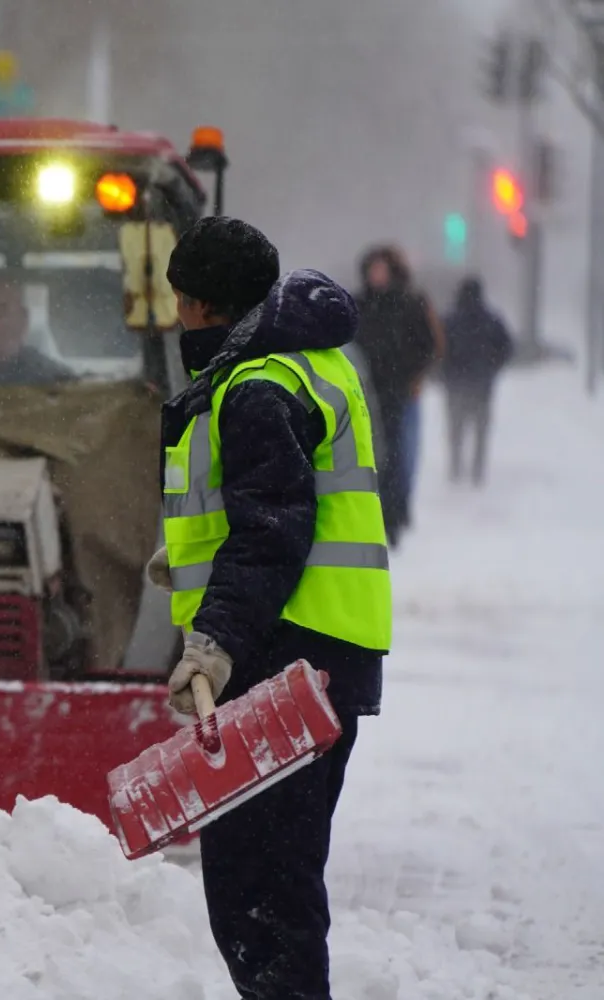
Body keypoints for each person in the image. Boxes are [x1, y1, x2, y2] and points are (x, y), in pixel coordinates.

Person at [147, 217, 391, 1000]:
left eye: (179, 301)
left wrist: (213, 637)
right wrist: (188, 558)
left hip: (283, 657)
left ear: (200, 306)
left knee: (258, 894)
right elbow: (286, 501)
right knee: (278, 883)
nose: (174, 316)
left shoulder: (254, 387)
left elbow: (273, 531)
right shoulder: (307, 365)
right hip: (321, 653)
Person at [352, 245, 441, 548]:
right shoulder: (358, 304)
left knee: (397, 457)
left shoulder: (410, 303)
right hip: (363, 393)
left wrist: (411, 375)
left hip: (398, 394)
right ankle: (375, 516)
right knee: (371, 458)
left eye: (382, 268)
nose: (377, 275)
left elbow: (428, 345)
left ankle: (392, 517)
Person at [440, 275, 514, 485]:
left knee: (456, 428)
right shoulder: (491, 320)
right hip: (482, 385)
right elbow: (506, 347)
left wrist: (444, 372)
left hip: (455, 384)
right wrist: (492, 366)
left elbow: (438, 350)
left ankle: (455, 467)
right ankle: (477, 471)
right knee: (480, 429)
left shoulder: (449, 320)